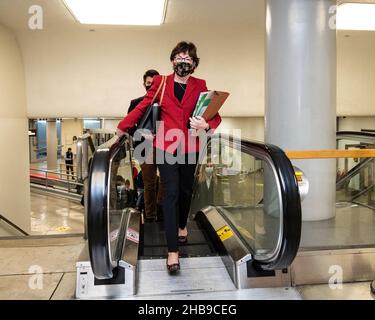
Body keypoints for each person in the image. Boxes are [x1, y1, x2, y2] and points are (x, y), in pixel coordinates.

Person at [117, 41, 222, 274]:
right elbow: (143, 106)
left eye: (188, 59)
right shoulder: (161, 82)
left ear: (194, 64)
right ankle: (172, 251)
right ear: (172, 60)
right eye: (179, 57)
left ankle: (183, 225)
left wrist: (206, 123)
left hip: (191, 147)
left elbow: (215, 116)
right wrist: (123, 127)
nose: (183, 62)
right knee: (171, 193)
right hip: (165, 145)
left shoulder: (200, 85)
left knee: (185, 191)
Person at [128, 70, 163, 222]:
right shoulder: (136, 103)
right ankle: (150, 215)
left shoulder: (165, 102)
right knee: (149, 183)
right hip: (144, 147)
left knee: (166, 182)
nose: (151, 86)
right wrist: (142, 133)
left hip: (164, 146)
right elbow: (129, 126)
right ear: (144, 84)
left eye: (154, 84)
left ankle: (161, 212)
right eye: (148, 84)